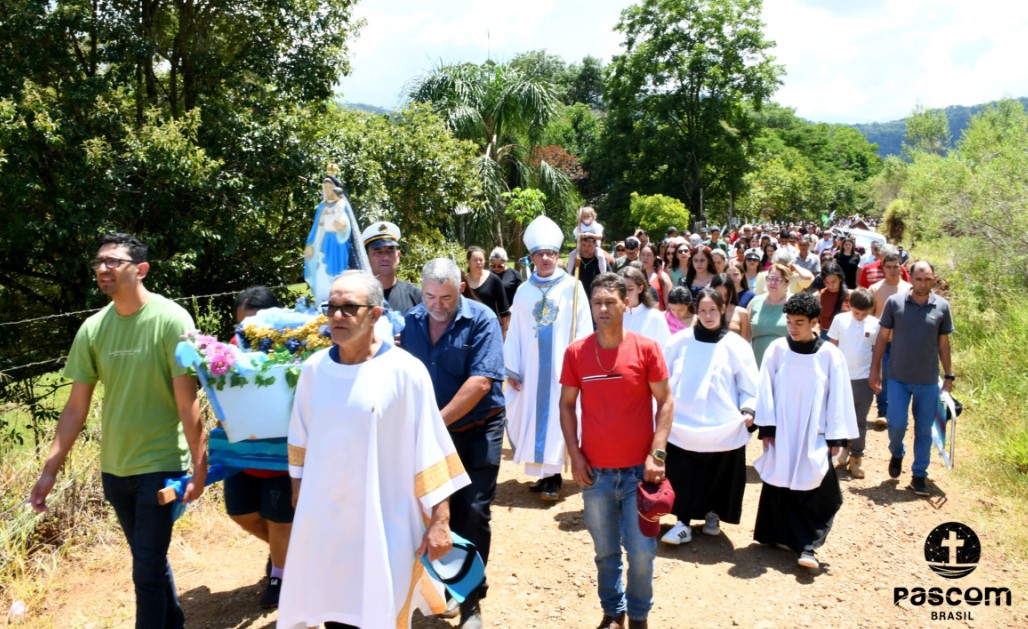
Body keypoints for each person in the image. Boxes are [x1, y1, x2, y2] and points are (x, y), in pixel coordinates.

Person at [30, 233, 206, 629]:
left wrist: (200, 465)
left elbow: (186, 400)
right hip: (115, 469)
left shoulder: (172, 319)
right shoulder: (93, 329)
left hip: (162, 464)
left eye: (113, 261)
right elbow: (76, 407)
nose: (103, 269)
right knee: (150, 562)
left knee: (144, 571)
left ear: (140, 270)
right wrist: (49, 470)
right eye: (98, 262)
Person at [279, 271, 471, 629]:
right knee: (335, 608)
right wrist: (300, 500)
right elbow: (300, 442)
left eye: (349, 307)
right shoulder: (313, 371)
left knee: (380, 611)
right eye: (331, 307)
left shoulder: (405, 372)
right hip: (329, 524)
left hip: (386, 524)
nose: (337, 316)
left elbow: (430, 451)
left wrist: (441, 521)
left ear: (376, 315)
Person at [559, 272, 673, 629]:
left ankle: (638, 615)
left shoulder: (646, 348)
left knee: (641, 553)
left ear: (627, 302)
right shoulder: (577, 352)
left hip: (641, 474)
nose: (603, 309)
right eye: (597, 303)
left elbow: (665, 402)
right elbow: (566, 405)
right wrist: (575, 454)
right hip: (596, 474)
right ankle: (613, 610)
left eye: (610, 302)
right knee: (605, 552)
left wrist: (658, 454)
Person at [402, 259, 506, 629]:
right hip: (428, 439)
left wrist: (434, 423)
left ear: (459, 289)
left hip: (478, 431)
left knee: (472, 513)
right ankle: (436, 588)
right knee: (426, 516)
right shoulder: (410, 322)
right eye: (430, 295)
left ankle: (472, 602)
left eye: (446, 297)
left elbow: (481, 383)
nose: (437, 304)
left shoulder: (482, 319)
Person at [752, 292, 858, 570]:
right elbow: (766, 388)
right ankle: (778, 536)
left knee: (818, 486)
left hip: (815, 431)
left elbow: (838, 397)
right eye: (788, 322)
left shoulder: (830, 355)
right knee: (780, 480)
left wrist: (837, 437)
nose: (793, 328)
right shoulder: (777, 350)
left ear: (814, 322)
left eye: (799, 322)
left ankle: (808, 545)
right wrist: (767, 427)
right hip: (783, 429)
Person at [505, 216, 593, 501]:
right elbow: (515, 332)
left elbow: (583, 327)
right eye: (540, 254)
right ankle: (542, 473)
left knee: (559, 416)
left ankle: (554, 476)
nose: (545, 258)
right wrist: (513, 369)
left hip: (561, 369)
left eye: (551, 253)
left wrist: (579, 362)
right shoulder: (523, 291)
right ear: (532, 257)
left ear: (558, 255)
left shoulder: (572, 287)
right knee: (532, 414)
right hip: (531, 370)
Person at [661, 289, 758, 546]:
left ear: (723, 308)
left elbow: (748, 384)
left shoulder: (736, 345)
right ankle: (683, 522)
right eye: (702, 310)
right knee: (684, 472)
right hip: (683, 423)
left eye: (712, 310)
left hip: (722, 424)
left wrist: (749, 409)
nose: (707, 316)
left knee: (719, 469)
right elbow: (665, 378)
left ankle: (713, 513)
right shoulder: (680, 341)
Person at [226, 286, 294, 609]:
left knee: (281, 520)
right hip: (243, 451)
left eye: (252, 325)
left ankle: (279, 577)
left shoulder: (296, 347)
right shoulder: (230, 350)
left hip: (282, 453)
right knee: (241, 512)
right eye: (241, 326)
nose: (245, 333)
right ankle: (291, 553)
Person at [870, 261, 955, 497]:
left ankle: (919, 475)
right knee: (896, 424)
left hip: (927, 380)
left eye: (927, 279)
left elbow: (943, 344)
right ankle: (897, 452)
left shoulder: (942, 306)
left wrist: (949, 375)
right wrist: (875, 368)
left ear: (933, 279)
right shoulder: (895, 303)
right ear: (912, 278)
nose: (922, 284)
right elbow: (882, 338)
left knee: (924, 430)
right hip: (898, 377)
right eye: (918, 279)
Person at [828, 288, 879, 479]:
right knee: (837, 416)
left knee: (859, 419)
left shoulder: (875, 324)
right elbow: (831, 347)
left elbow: (877, 352)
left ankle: (857, 457)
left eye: (864, 314)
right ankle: (839, 449)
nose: (860, 317)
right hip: (841, 378)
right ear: (850, 305)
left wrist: (876, 376)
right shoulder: (840, 320)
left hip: (863, 379)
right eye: (857, 312)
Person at [304, 173, 368, 305]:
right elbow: (316, 228)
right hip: (320, 245)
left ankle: (335, 302)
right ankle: (321, 302)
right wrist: (310, 245)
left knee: (334, 274)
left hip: (335, 245)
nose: (327, 190)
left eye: (330, 187)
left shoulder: (341, 205)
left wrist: (341, 226)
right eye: (325, 187)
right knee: (320, 271)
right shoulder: (321, 207)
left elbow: (346, 228)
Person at [868, 252, 911, 424]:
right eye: (889, 267)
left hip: (905, 343)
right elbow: (870, 317)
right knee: (883, 376)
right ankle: (883, 412)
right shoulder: (875, 289)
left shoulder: (909, 289)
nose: (893, 270)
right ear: (883, 268)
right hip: (882, 342)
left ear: (901, 267)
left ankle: (899, 413)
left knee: (903, 379)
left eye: (896, 267)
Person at [361, 220, 422, 316]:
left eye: (390, 251)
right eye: (378, 252)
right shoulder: (357, 297)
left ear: (398, 256)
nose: (385, 258)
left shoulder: (416, 297)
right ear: (367, 257)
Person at [747, 264, 792, 366]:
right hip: (757, 362)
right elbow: (745, 335)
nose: (772, 282)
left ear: (787, 283)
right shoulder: (755, 302)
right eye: (770, 278)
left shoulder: (794, 303)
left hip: (786, 363)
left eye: (778, 279)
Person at [619, 266, 672, 347]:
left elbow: (665, 349)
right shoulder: (615, 316)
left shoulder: (655, 317)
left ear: (640, 288)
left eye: (630, 289)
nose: (625, 294)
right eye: (622, 289)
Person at [466, 246, 511, 335]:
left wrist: (505, 333)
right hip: (468, 330)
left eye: (481, 260)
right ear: (468, 262)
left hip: (490, 329)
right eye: (475, 260)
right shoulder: (463, 281)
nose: (478, 262)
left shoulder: (494, 279)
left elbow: (504, 312)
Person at [566, 223, 613, 300]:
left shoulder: (600, 260)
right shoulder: (576, 259)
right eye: (584, 245)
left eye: (589, 246)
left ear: (595, 245)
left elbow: (610, 280)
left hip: (595, 297)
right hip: (578, 297)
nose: (586, 248)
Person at [710, 273, 751, 341]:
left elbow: (745, 342)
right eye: (718, 294)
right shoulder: (705, 311)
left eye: (726, 295)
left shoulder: (742, 313)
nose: (723, 299)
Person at [816, 263, 850, 340]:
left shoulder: (849, 295)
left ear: (840, 278)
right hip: (826, 334)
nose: (830, 286)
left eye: (833, 282)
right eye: (827, 283)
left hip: (845, 335)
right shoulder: (820, 295)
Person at [639, 243, 671, 310]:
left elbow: (668, 304)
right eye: (643, 255)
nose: (645, 258)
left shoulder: (662, 276)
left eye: (649, 255)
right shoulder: (636, 275)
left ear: (654, 257)